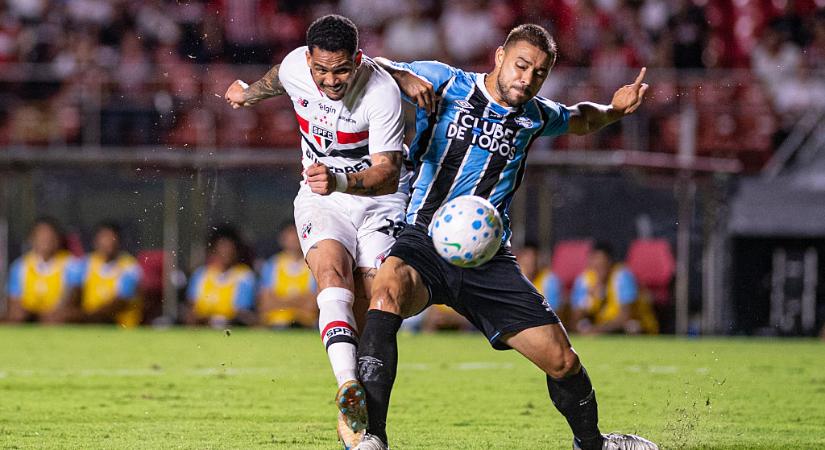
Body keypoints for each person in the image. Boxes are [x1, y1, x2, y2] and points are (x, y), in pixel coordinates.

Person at [353, 24, 658, 450]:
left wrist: (614, 110)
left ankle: (593, 444)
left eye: (539, 73)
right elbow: (367, 66)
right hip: (423, 239)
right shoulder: (446, 82)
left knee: (563, 360)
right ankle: (372, 438)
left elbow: (578, 119)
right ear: (499, 56)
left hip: (489, 259)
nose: (528, 79)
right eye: (521, 65)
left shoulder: (534, 116)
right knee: (385, 294)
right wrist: (401, 75)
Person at [223, 14, 417, 446]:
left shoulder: (381, 93)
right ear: (308, 59)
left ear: (358, 60)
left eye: (342, 69)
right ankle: (349, 392)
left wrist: (340, 179)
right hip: (320, 198)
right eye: (321, 70)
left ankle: (368, 414)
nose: (331, 81)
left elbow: (386, 173)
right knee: (332, 274)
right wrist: (248, 95)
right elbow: (279, 77)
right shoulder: (296, 66)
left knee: (375, 306)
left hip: (379, 201)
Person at [57, 222, 142, 326]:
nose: (108, 243)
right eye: (104, 238)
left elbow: (120, 302)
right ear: (95, 241)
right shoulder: (85, 263)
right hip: (90, 322)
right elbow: (74, 293)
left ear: (119, 241)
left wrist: (83, 316)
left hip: (119, 324)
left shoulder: (130, 266)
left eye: (111, 238)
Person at [571, 242, 658, 335]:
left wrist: (597, 329)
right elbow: (575, 319)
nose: (598, 270)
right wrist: (588, 300)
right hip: (603, 325)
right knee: (582, 326)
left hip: (632, 324)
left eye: (602, 266)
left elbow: (625, 316)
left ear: (610, 262)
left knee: (632, 326)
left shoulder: (622, 276)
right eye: (595, 266)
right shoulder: (585, 280)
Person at [5, 217, 76, 323]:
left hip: (57, 318)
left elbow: (73, 299)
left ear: (57, 239)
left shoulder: (71, 264)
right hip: (28, 317)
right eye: (41, 236)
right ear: (31, 239)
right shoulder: (19, 266)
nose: (46, 240)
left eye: (49, 236)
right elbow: (14, 303)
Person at [184, 226, 256, 328]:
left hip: (232, 327)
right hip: (203, 328)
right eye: (222, 247)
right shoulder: (201, 274)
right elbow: (191, 308)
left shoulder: (244, 275)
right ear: (215, 249)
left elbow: (242, 311)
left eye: (229, 248)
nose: (226, 252)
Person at [258, 223, 318, 329]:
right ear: (282, 239)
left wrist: (279, 300)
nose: (294, 239)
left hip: (305, 326)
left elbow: (313, 306)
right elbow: (265, 305)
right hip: (275, 326)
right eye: (290, 236)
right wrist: (300, 300)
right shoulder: (271, 265)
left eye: (296, 235)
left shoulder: (314, 264)